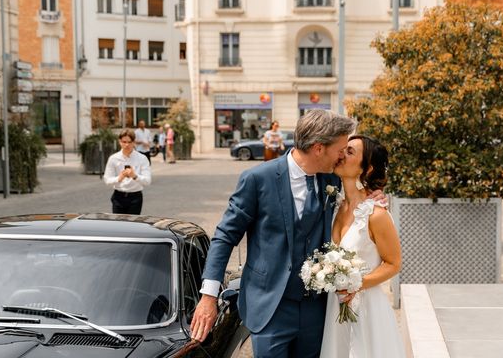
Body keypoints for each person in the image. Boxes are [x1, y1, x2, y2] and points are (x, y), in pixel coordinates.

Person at [191, 110, 360, 357]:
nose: (343, 155)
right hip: (270, 307)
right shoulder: (258, 179)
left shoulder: (330, 180)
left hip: (316, 309)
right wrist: (208, 296)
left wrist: (372, 198)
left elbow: (359, 188)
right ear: (318, 148)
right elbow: (225, 236)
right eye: (340, 149)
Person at [320, 135, 405, 357]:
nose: (341, 155)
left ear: (366, 169)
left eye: (349, 152)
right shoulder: (334, 205)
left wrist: (356, 284)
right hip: (333, 308)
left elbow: (394, 263)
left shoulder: (376, 214)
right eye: (343, 150)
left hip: (366, 308)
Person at [103, 129, 151, 215]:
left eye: (129, 142)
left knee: (133, 226)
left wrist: (135, 176)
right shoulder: (113, 158)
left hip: (135, 197)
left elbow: (147, 181)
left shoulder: (142, 158)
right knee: (118, 226)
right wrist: (119, 178)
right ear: (119, 142)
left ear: (134, 142)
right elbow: (107, 180)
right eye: (124, 142)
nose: (127, 145)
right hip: (118, 196)